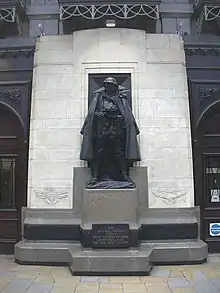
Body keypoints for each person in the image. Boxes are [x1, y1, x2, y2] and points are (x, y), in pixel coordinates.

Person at [80, 77, 141, 188]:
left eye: (111, 85)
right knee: (99, 152)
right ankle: (95, 176)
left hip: (116, 128)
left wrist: (120, 118)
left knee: (119, 152)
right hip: (102, 128)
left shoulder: (120, 98)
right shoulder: (98, 97)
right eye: (106, 84)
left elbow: (126, 114)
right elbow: (92, 113)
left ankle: (124, 175)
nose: (108, 86)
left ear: (115, 87)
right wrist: (97, 114)